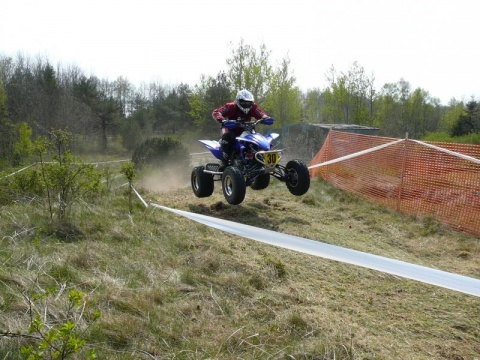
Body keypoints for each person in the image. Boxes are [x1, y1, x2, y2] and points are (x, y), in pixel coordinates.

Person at [212, 89, 274, 169]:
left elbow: (261, 114)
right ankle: (224, 161)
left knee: (257, 139)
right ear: (238, 101)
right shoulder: (231, 107)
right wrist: (222, 120)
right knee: (227, 136)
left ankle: (258, 159)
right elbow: (216, 112)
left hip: (246, 129)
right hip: (230, 128)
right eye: (244, 102)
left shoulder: (253, 107)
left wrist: (266, 118)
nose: (246, 104)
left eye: (248, 103)